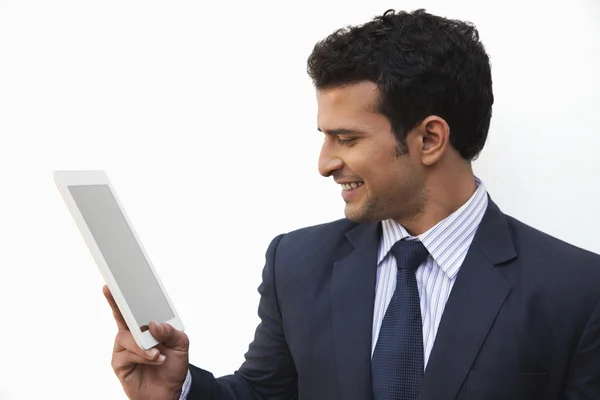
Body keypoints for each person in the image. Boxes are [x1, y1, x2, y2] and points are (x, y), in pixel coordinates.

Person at [104, 8, 600, 400]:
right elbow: (262, 394)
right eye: (325, 137)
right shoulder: (295, 265)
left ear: (429, 138)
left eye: (346, 138)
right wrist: (179, 390)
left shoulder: (577, 292)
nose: (325, 163)